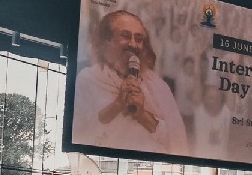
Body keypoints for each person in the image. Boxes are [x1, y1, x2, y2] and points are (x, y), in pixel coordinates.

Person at [72, 10, 189, 156]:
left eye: (139, 39)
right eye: (125, 36)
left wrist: (142, 115)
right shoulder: (88, 80)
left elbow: (176, 142)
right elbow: (81, 132)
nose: (133, 44)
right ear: (106, 41)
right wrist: (117, 105)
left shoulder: (158, 86)